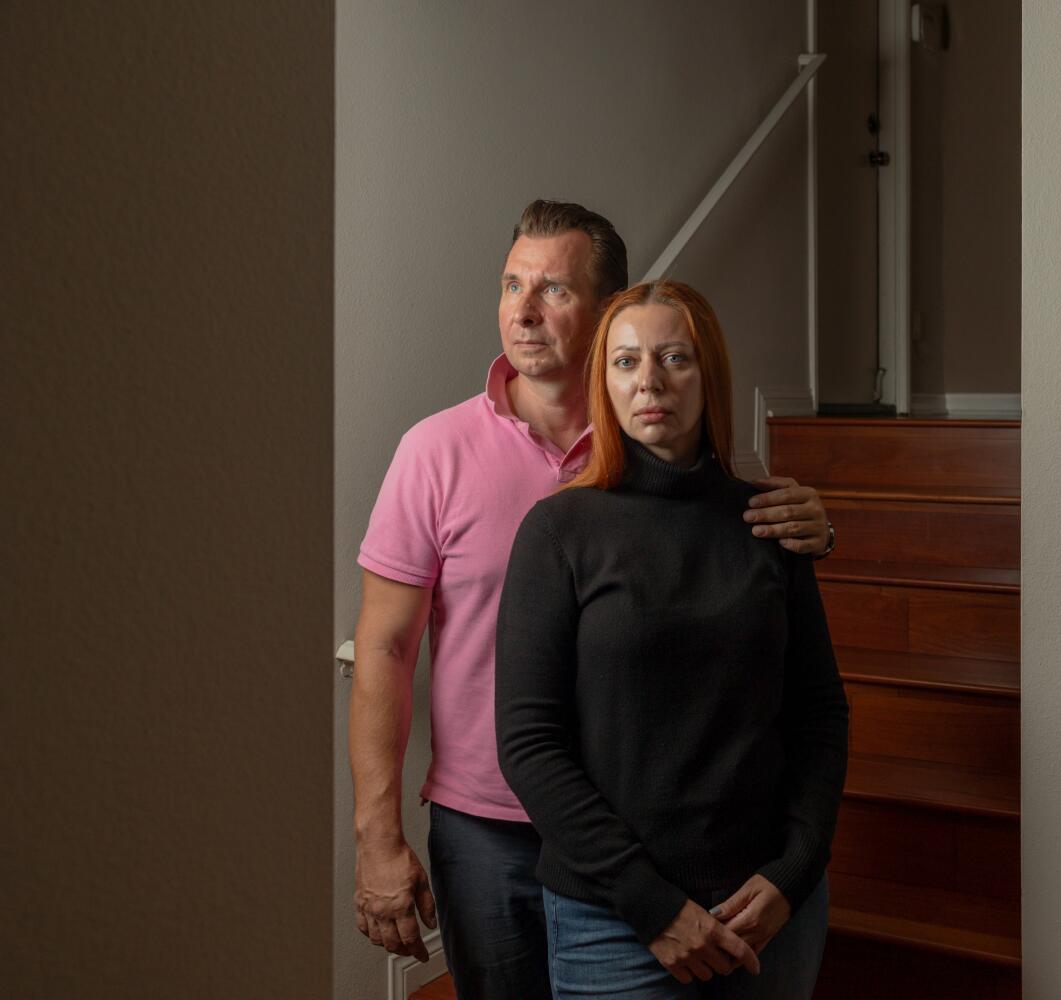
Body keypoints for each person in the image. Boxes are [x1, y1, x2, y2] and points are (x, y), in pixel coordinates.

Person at [349, 201, 833, 1000]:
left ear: (611, 315)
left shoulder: (667, 446)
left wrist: (817, 528)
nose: (524, 310)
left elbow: (743, 599)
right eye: (511, 285)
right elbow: (383, 648)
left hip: (658, 827)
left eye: (554, 290)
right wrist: (376, 836)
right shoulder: (434, 452)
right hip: (491, 826)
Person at [496, 280, 849, 999]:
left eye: (674, 358)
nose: (649, 380)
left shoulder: (769, 522)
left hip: (770, 913)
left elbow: (819, 712)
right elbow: (531, 744)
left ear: (708, 374)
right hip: (616, 923)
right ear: (604, 381)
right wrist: (654, 906)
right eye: (625, 362)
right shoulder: (560, 531)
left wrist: (796, 869)